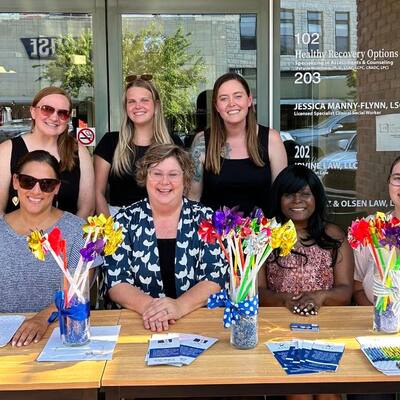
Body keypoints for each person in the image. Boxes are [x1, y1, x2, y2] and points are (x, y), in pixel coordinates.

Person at [103, 143, 228, 332]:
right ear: (145, 176)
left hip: (198, 324)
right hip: (140, 323)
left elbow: (215, 277)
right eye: (157, 173)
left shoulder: (206, 219)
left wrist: (178, 307)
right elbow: (116, 281)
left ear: (185, 179)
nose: (164, 182)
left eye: (173, 174)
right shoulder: (124, 220)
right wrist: (150, 309)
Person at [260, 165, 353, 400]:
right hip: (279, 330)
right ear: (278, 199)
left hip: (326, 329)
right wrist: (285, 300)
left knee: (327, 391)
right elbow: (258, 292)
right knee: (298, 390)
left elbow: (345, 291)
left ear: (316, 198)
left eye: (305, 194)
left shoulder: (333, 236)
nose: (297, 201)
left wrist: (320, 296)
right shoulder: (267, 237)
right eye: (289, 194)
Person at [0, 150, 92, 346]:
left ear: (57, 188)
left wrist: (43, 318)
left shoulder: (77, 230)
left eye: (46, 184)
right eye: (27, 181)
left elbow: (79, 289)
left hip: (61, 334)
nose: (36, 191)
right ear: (15, 182)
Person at [189, 72, 287, 216]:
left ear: (249, 100)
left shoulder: (271, 139)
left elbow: (281, 198)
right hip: (213, 236)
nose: (231, 103)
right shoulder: (202, 142)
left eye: (238, 96)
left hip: (263, 235)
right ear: (216, 106)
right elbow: (193, 201)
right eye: (223, 99)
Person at [94, 74, 182, 217]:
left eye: (144, 100)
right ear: (126, 107)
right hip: (118, 224)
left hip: (164, 222)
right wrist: (109, 231)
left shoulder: (173, 143)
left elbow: (182, 191)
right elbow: (97, 193)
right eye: (131, 101)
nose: (138, 106)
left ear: (156, 105)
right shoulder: (110, 142)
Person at [0, 86, 95, 219]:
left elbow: (87, 208)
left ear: (68, 119)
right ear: (33, 112)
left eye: (62, 113)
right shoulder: (7, 151)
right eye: (47, 109)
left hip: (66, 237)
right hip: (15, 236)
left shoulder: (79, 152)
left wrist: (67, 238)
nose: (54, 117)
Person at [353, 156, 400, 306]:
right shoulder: (371, 228)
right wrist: (379, 318)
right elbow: (357, 287)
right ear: (389, 183)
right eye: (398, 178)